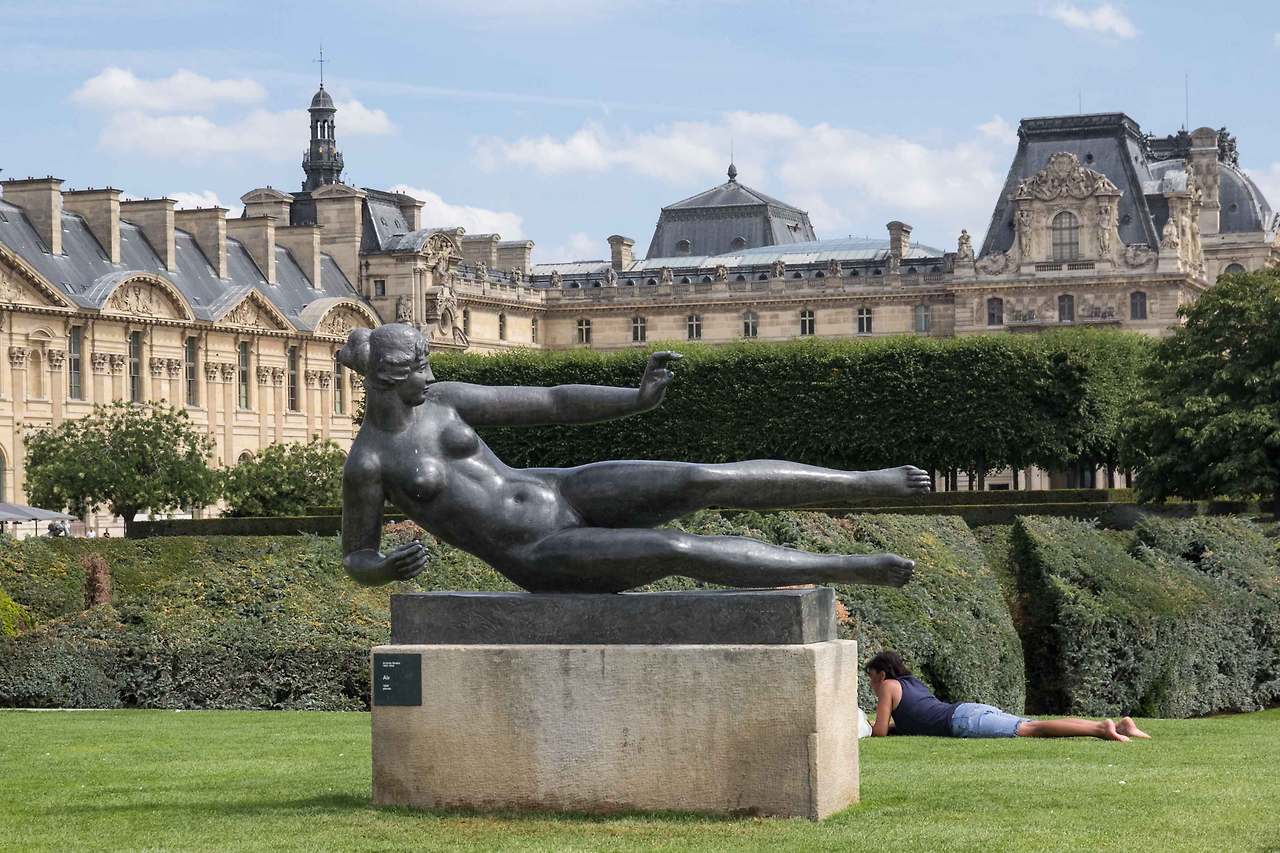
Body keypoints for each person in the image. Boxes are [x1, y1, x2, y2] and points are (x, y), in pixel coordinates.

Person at [337, 324, 933, 593]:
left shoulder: (444, 401)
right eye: (417, 368)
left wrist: (636, 398)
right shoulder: (370, 462)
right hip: (536, 553)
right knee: (675, 550)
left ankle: (866, 479)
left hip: (563, 491)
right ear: (386, 380)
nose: (430, 374)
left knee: (699, 477)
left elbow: (551, 400)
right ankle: (849, 567)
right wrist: (382, 567)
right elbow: (356, 554)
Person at [866, 650, 1151, 741]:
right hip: (968, 711)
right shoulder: (911, 683)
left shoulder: (889, 686)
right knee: (1033, 722)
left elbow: (878, 732)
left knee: (1032, 729)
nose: (871, 685)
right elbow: (916, 718)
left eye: (870, 679)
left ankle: (1102, 730)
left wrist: (871, 727)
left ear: (881, 674)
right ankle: (1118, 724)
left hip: (963, 722)